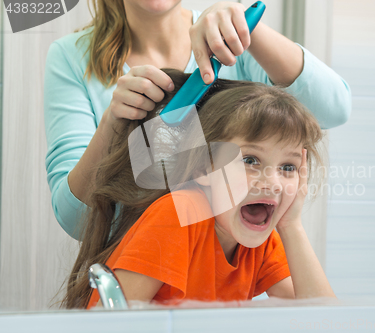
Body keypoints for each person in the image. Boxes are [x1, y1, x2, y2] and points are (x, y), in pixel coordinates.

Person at [44, 0, 351, 239]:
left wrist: (247, 28)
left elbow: (334, 109)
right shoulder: (70, 57)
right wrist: (113, 121)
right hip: (136, 284)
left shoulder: (235, 45)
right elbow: (77, 222)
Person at [61, 68, 335, 308]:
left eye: (288, 167)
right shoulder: (179, 215)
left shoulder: (259, 238)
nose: (273, 183)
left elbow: (324, 323)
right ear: (205, 166)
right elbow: (109, 325)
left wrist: (292, 225)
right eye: (250, 160)